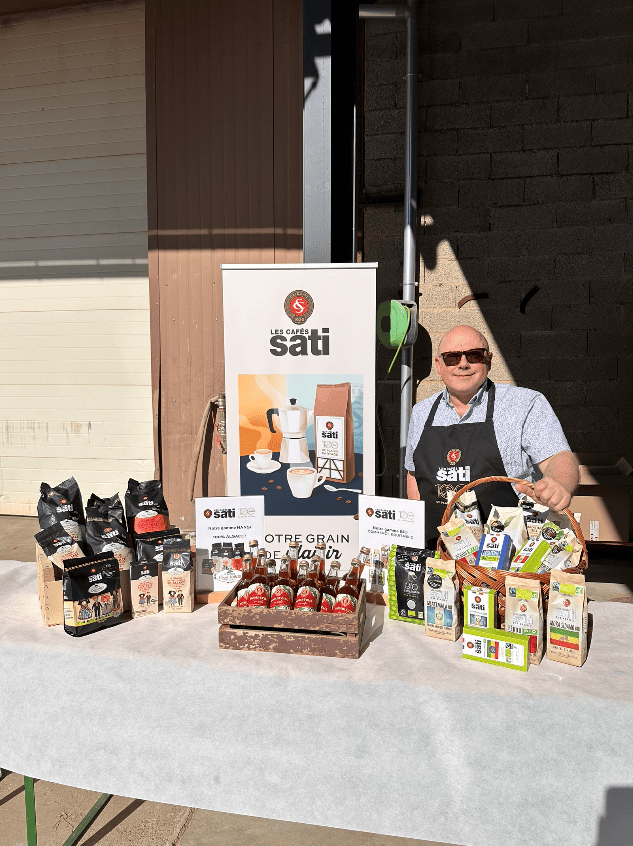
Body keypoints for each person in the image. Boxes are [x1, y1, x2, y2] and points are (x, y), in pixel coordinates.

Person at [406, 325, 579, 542]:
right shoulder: (421, 412)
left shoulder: (524, 404)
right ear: (438, 365)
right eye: (452, 357)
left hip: (508, 552)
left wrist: (558, 483)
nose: (463, 364)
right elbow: (414, 473)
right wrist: (415, 531)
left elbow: (557, 457)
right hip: (439, 550)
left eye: (474, 355)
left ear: (488, 360)